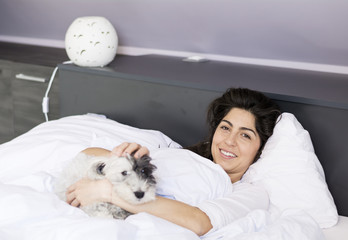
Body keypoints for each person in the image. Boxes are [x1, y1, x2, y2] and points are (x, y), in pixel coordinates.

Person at [66, 88, 281, 236]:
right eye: (225, 128)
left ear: (260, 148)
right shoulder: (178, 155)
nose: (229, 141)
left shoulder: (251, 193)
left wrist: (109, 193)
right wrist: (124, 159)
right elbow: (87, 153)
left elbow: (199, 222)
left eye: (245, 135)